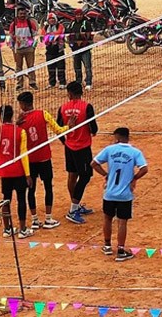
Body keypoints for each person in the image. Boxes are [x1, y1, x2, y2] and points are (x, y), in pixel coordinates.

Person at [91, 127, 148, 262]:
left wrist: (105, 175)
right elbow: (144, 168)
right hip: (125, 194)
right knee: (122, 222)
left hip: (109, 193)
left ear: (117, 138)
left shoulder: (109, 150)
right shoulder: (135, 152)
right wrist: (134, 179)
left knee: (107, 219)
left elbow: (94, 163)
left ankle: (107, 246)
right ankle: (121, 250)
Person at [17, 91, 65, 231]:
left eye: (20, 104)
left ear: (25, 104)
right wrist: (69, 126)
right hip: (44, 158)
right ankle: (48, 219)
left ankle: (34, 220)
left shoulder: (20, 121)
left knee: (31, 190)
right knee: (48, 187)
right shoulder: (43, 114)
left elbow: (16, 138)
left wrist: (16, 124)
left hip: (30, 160)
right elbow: (58, 130)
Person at [58, 81, 99, 224]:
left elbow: (59, 130)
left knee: (72, 175)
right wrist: (92, 132)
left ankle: (74, 205)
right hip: (82, 147)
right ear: (80, 92)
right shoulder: (86, 107)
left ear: (69, 93)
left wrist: (66, 142)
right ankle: (73, 209)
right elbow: (93, 127)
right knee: (86, 176)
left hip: (69, 147)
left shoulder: (63, 108)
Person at [0, 105, 33, 239]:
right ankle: (22, 230)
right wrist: (28, 174)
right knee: (21, 199)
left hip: (4, 170)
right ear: (12, 115)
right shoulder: (20, 131)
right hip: (18, 171)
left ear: (0, 116)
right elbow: (24, 154)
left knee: (6, 200)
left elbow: (5, 132)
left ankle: (7, 229)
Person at [9, 7, 40, 91]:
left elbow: (36, 36)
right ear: (17, 14)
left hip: (29, 48)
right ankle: (19, 84)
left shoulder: (30, 23)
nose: (22, 15)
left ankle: (32, 82)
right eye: (21, 14)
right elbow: (11, 36)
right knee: (18, 67)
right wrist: (12, 48)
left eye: (24, 13)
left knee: (31, 66)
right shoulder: (13, 24)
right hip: (18, 49)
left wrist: (33, 46)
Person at [69, 9, 95, 90]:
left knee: (87, 67)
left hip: (85, 49)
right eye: (77, 15)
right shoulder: (72, 24)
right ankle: (78, 82)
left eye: (80, 15)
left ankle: (88, 83)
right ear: (75, 15)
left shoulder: (87, 23)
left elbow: (91, 35)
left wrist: (88, 46)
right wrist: (72, 45)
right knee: (77, 68)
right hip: (76, 50)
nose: (79, 16)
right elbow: (69, 35)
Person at [42, 14, 67, 89]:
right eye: (50, 19)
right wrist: (50, 36)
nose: (51, 20)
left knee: (61, 67)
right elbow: (43, 35)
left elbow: (59, 32)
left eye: (53, 18)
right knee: (50, 67)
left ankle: (62, 82)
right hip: (49, 49)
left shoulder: (60, 25)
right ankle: (51, 83)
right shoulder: (46, 27)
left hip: (59, 49)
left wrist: (49, 35)